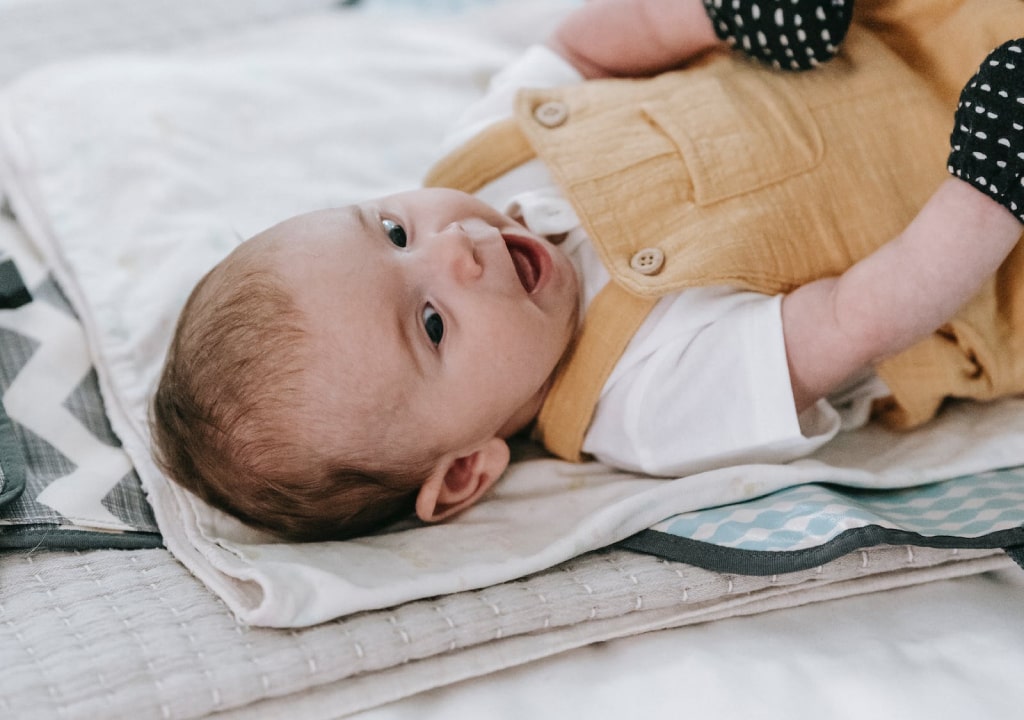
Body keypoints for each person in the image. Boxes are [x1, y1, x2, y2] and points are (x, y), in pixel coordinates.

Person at [150, 0, 1024, 542]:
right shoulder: (644, 404)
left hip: (900, 31)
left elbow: (588, 49)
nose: (452, 248)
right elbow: (858, 318)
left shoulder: (482, 158)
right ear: (466, 471)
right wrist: (986, 191)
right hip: (986, 213)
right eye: (432, 323)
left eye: (390, 229)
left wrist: (717, 16)